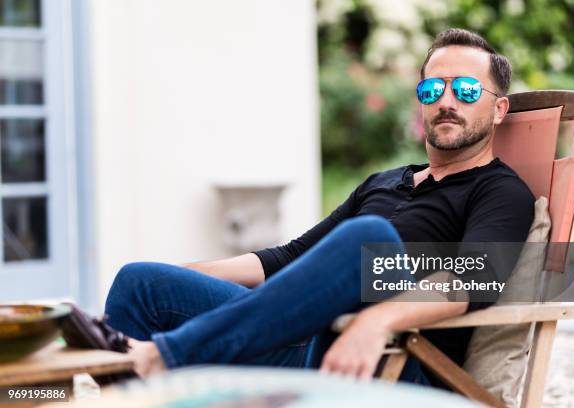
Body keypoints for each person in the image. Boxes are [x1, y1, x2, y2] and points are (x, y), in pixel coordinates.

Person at [104, 28, 534, 388]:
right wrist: (188, 275)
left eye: (465, 89)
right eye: (432, 87)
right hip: (298, 334)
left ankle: (165, 356)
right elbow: (291, 257)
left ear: (498, 109)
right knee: (141, 282)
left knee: (369, 239)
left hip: (389, 359)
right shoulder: (383, 182)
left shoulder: (501, 191)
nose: (446, 101)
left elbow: (472, 278)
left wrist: (378, 320)